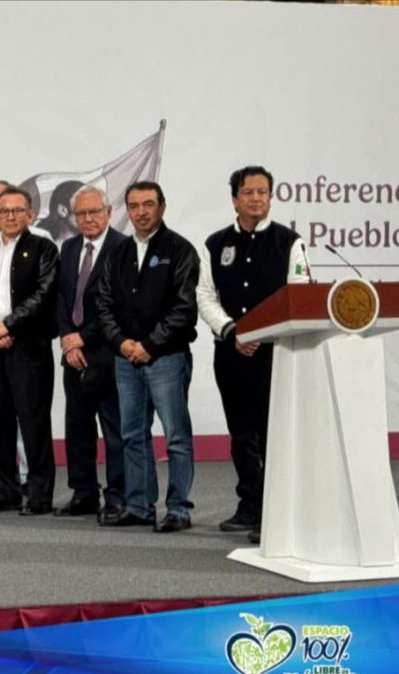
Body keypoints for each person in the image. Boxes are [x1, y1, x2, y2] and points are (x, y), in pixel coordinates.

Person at [197, 166, 308, 542]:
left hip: (275, 354)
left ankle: (276, 513)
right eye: (248, 192)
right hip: (231, 353)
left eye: (263, 192)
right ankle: (250, 505)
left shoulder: (288, 242)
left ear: (270, 198)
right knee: (241, 434)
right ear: (235, 199)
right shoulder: (215, 243)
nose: (256, 198)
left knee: (271, 433)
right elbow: (205, 296)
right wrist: (233, 331)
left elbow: (298, 295)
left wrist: (262, 333)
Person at [95, 181, 199, 534]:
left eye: (148, 204)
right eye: (134, 206)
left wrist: (149, 345)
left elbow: (184, 309)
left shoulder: (180, 250)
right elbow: (103, 304)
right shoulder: (118, 252)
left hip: (166, 357)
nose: (141, 212)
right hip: (125, 359)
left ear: (162, 207)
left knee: (176, 438)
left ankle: (179, 509)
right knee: (132, 435)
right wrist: (122, 343)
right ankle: (139, 506)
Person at [0, 188, 59, 516]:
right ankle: (5, 492)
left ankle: (39, 495)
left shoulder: (44, 249)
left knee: (34, 424)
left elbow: (44, 293)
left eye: (17, 210)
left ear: (30, 214)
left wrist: (8, 326)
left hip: (29, 348)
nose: (10, 216)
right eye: (4, 210)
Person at [56, 185, 129, 525]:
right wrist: (67, 340)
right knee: (77, 427)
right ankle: (83, 492)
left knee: (114, 429)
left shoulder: (122, 247)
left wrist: (82, 339)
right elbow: (61, 299)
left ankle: (117, 496)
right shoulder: (69, 248)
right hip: (73, 355)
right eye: (81, 214)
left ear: (108, 213)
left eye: (94, 212)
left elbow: (116, 305)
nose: (87, 219)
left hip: (107, 354)